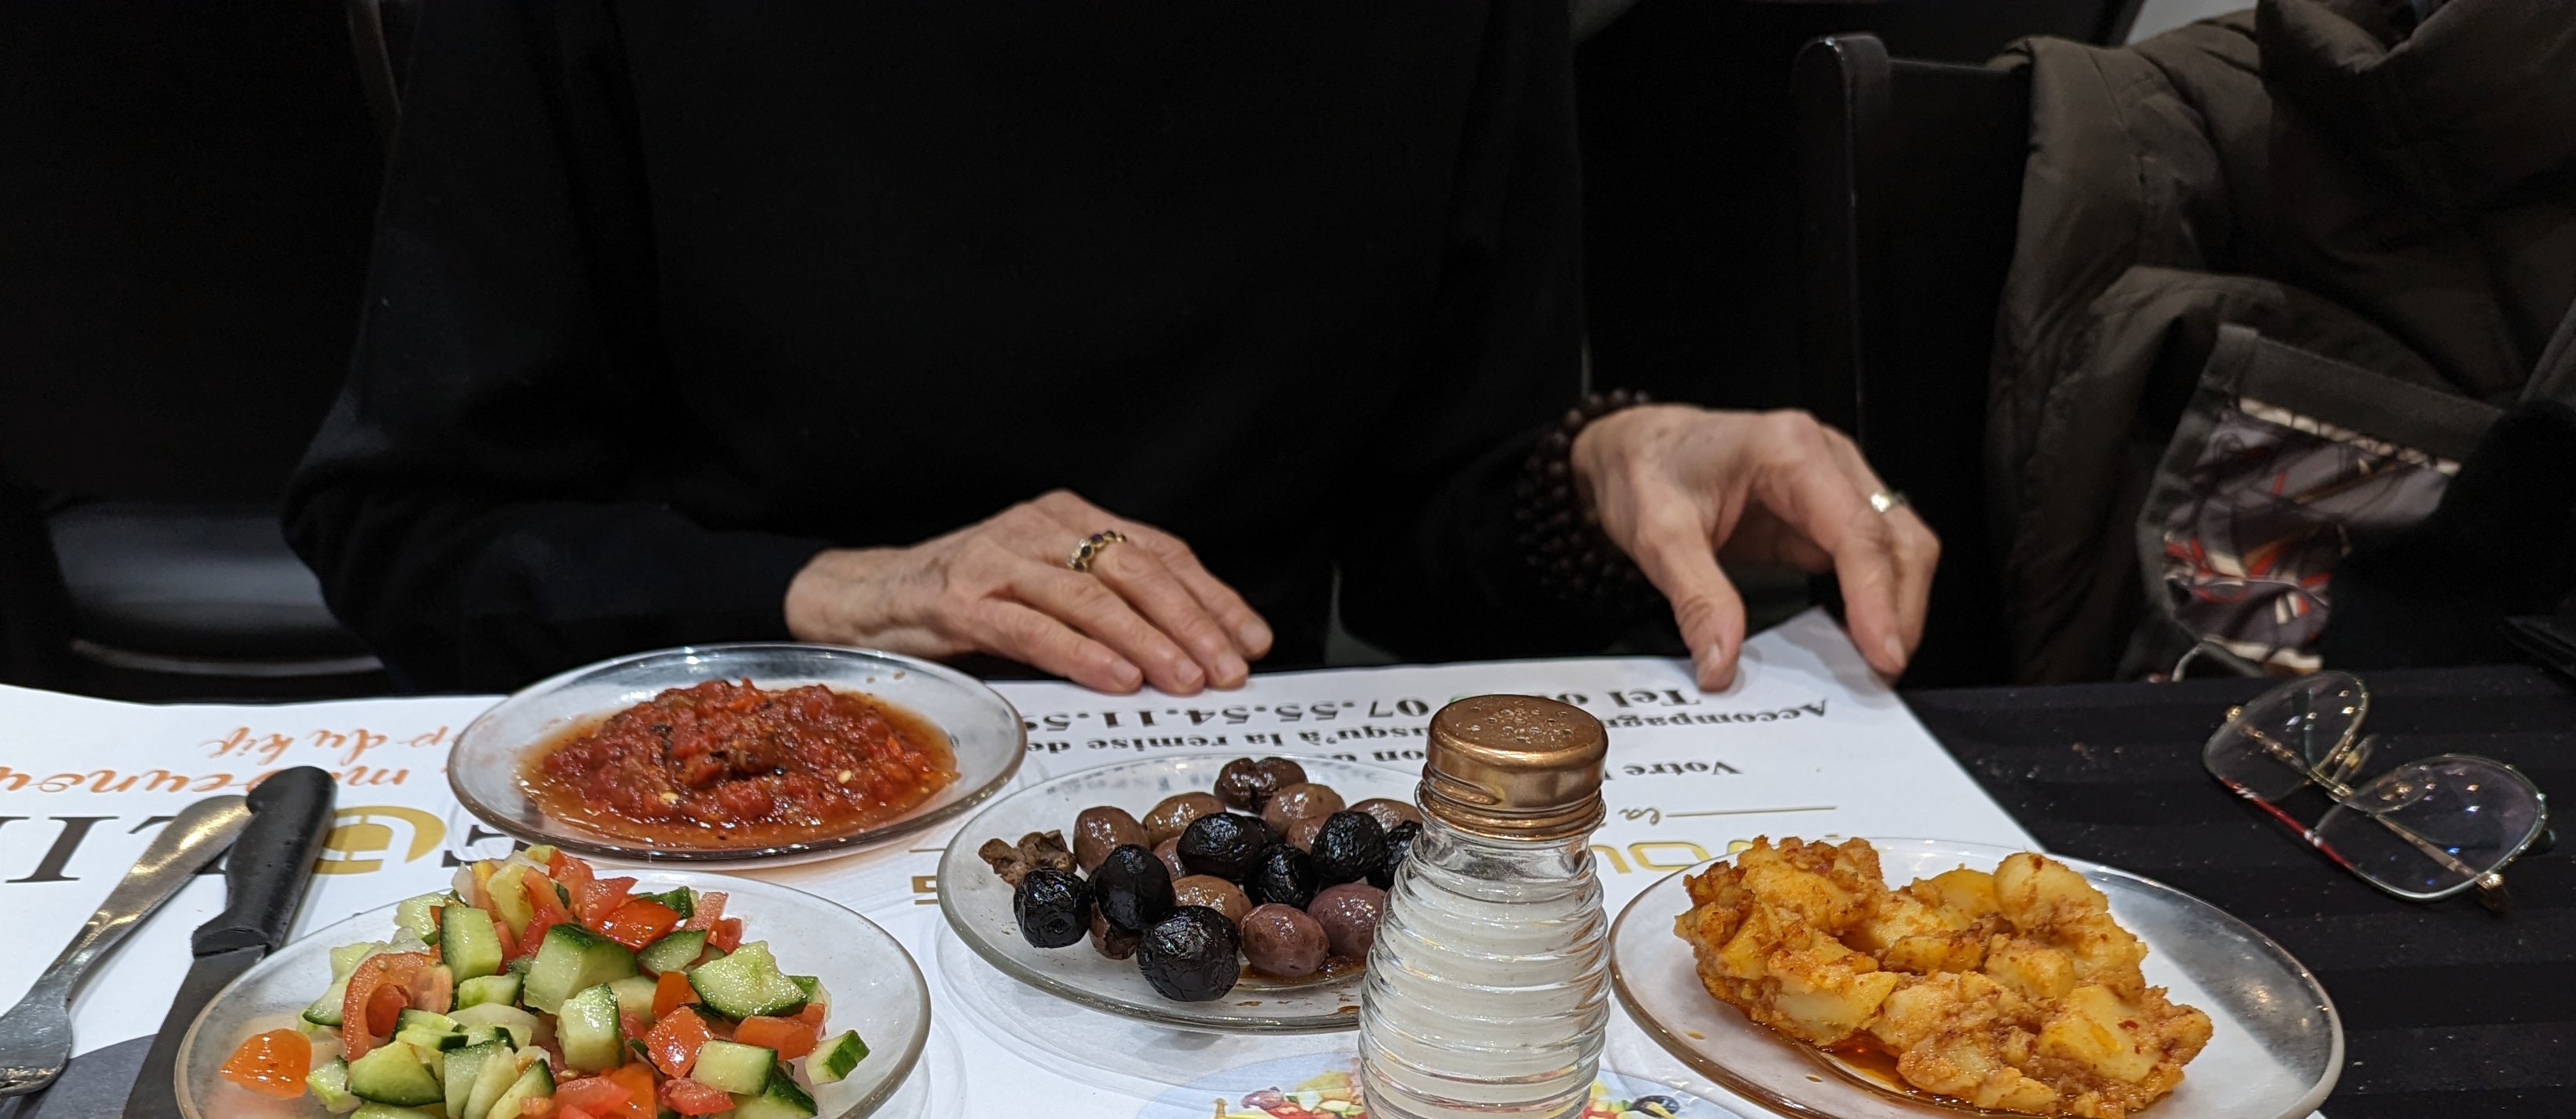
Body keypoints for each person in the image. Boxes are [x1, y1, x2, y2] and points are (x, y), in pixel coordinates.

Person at [288, 0, 1936, 698]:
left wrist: (1604, 474)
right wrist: (854, 589)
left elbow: (1423, 544)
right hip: (738, 788)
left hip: (1226, 832)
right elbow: (412, 533)